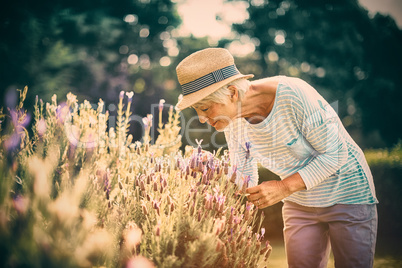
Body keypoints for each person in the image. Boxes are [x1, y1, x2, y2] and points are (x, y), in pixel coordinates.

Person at [175, 48, 378, 268]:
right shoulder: (232, 122)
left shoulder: (293, 94)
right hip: (300, 203)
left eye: (204, 108)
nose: (202, 118)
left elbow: (335, 154)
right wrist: (215, 169)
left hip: (347, 193)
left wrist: (283, 187)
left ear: (232, 93)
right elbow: (246, 180)